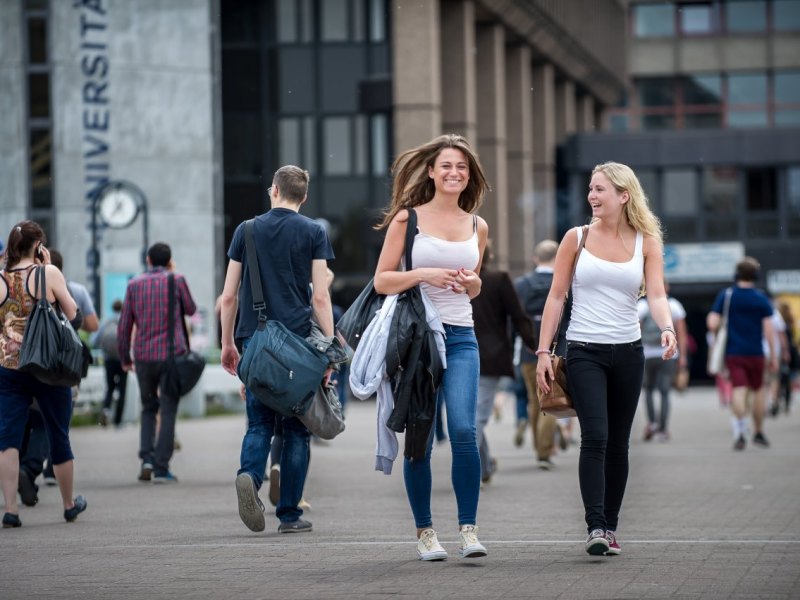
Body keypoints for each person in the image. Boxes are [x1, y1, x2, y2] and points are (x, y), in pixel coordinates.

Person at [535, 162, 677, 557]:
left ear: (623, 195)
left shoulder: (646, 240)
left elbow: (658, 294)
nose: (592, 197)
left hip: (629, 352)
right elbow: (556, 297)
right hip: (583, 351)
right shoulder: (575, 238)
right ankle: (594, 526)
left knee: (618, 444)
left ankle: (610, 527)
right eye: (591, 189)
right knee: (595, 437)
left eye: (600, 190)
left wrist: (667, 328)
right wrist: (544, 351)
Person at [373, 133, 489, 561]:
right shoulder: (408, 220)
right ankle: (425, 533)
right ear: (431, 171)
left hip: (461, 337)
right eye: (446, 166)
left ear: (468, 175)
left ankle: (469, 530)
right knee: (420, 438)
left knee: (463, 430)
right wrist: (424, 274)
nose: (454, 173)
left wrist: (474, 284)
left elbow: (473, 286)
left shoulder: (478, 225)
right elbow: (382, 279)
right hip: (418, 341)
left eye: (462, 167)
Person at [220, 165, 334, 534]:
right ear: (305, 196)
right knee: (297, 431)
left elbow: (228, 296)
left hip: (257, 339)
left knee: (258, 423)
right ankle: (289, 515)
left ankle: (250, 478)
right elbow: (319, 295)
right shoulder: (315, 231)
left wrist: (227, 343)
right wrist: (329, 349)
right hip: (299, 343)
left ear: (273, 190)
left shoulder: (247, 230)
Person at [0, 221, 87, 527]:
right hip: (48, 366)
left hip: (9, 366)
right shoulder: (47, 273)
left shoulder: (0, 277)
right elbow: (74, 315)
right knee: (57, 433)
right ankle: (68, 504)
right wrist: (48, 268)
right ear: (38, 246)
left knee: (7, 438)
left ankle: (10, 508)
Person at [118, 242, 197, 483]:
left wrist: (125, 358)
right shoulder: (177, 280)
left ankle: (146, 460)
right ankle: (162, 467)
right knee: (168, 408)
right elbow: (191, 309)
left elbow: (124, 326)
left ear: (149, 261)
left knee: (148, 408)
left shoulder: (133, 284)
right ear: (169, 260)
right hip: (171, 356)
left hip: (143, 356)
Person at [471, 242, 537, 483]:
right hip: (491, 356)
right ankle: (482, 465)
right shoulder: (499, 279)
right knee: (474, 418)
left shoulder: (455, 278)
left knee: (473, 418)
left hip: (457, 355)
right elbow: (518, 316)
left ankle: (473, 468)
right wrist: (534, 344)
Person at [707, 257, 778, 451]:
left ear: (737, 274)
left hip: (734, 352)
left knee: (739, 390)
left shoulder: (727, 295)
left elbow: (712, 322)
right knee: (758, 391)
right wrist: (773, 356)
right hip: (756, 353)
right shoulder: (761, 298)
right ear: (755, 275)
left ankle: (740, 428)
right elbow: (769, 331)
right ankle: (759, 431)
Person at [515, 239, 569, 469]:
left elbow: (515, 320)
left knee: (534, 400)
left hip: (528, 353)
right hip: (559, 351)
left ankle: (539, 447)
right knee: (553, 397)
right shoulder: (565, 284)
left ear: (536, 259)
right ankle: (544, 452)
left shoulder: (522, 284)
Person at [637, 280, 688, 441]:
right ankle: (663, 429)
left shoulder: (643, 306)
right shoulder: (674, 305)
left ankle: (652, 423)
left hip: (647, 354)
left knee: (649, 390)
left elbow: (636, 331)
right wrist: (683, 357)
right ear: (667, 287)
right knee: (665, 391)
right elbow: (681, 333)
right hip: (669, 353)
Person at [96, 300, 127, 428]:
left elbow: (96, 339)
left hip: (108, 359)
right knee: (122, 390)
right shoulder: (125, 320)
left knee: (110, 388)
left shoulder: (106, 322)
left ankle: (106, 410)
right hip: (123, 359)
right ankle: (118, 422)